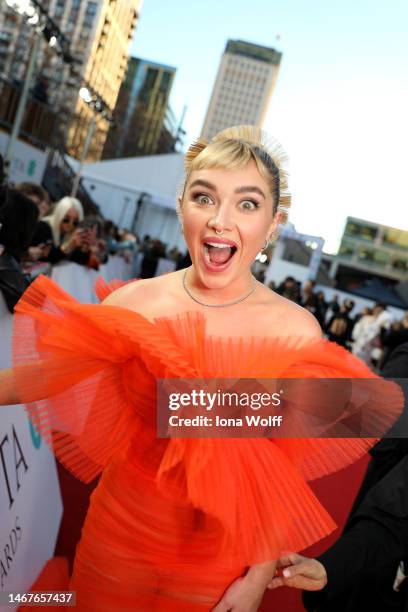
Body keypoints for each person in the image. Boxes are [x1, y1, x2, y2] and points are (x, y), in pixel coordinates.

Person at [0, 126, 402, 611]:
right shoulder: (135, 302)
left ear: (273, 224)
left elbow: (280, 471)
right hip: (118, 535)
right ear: (181, 204)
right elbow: (41, 375)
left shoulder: (295, 331)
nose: (220, 220)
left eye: (247, 204)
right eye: (204, 196)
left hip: (218, 562)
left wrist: (256, 577)